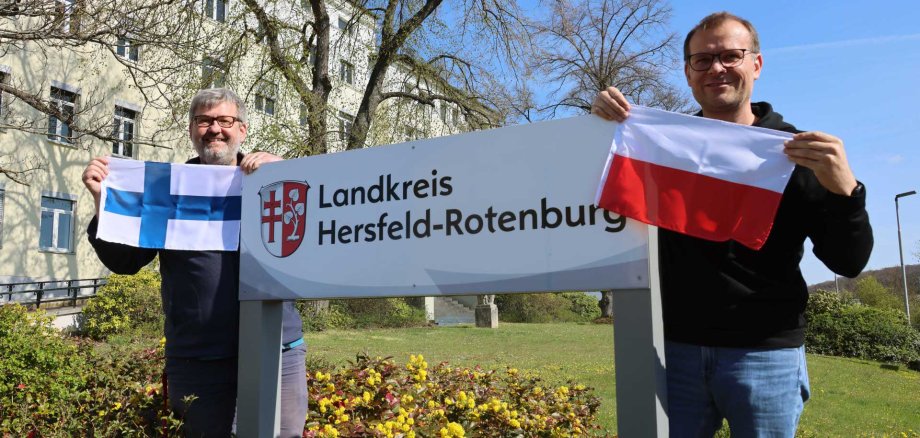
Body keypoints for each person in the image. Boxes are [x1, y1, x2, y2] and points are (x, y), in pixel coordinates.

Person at [592, 12, 872, 437]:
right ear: (687, 73)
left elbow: (848, 261)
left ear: (755, 64)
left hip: (766, 355)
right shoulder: (664, 147)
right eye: (702, 60)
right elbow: (609, 202)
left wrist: (846, 191)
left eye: (730, 56)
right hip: (674, 352)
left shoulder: (795, 154)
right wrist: (599, 125)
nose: (716, 68)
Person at [82, 88, 308, 437]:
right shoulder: (168, 190)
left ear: (242, 130)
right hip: (198, 358)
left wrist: (290, 174)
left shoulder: (273, 182)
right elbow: (125, 262)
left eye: (224, 120)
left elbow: (314, 239)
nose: (214, 129)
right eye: (204, 121)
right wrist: (103, 202)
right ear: (191, 130)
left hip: (276, 349)